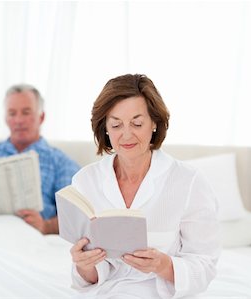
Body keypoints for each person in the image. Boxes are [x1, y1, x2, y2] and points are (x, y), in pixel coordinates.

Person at [69, 74, 220, 298]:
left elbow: (204, 265)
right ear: (105, 128)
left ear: (155, 123)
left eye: (137, 123)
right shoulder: (85, 181)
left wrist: (163, 265)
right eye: (116, 124)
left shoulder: (188, 182)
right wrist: (83, 264)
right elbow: (89, 277)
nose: (126, 134)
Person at [0, 84, 80, 235]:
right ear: (5, 118)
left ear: (41, 117)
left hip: (25, 235)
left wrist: (45, 225)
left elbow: (76, 217)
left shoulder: (61, 162)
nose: (18, 120)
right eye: (12, 113)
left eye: (26, 112)